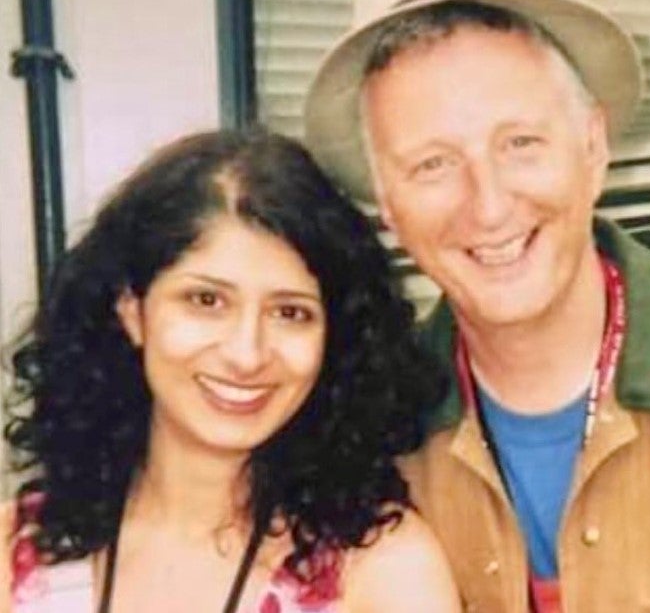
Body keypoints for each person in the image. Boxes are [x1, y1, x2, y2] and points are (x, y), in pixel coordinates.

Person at [303, 0, 650, 613]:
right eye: (432, 164)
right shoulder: (377, 436)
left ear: (591, 146)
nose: (487, 204)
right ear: (387, 206)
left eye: (519, 143)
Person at [0, 128, 461, 613]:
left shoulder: (384, 568)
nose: (247, 354)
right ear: (132, 311)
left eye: (290, 313)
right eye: (206, 301)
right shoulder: (16, 552)